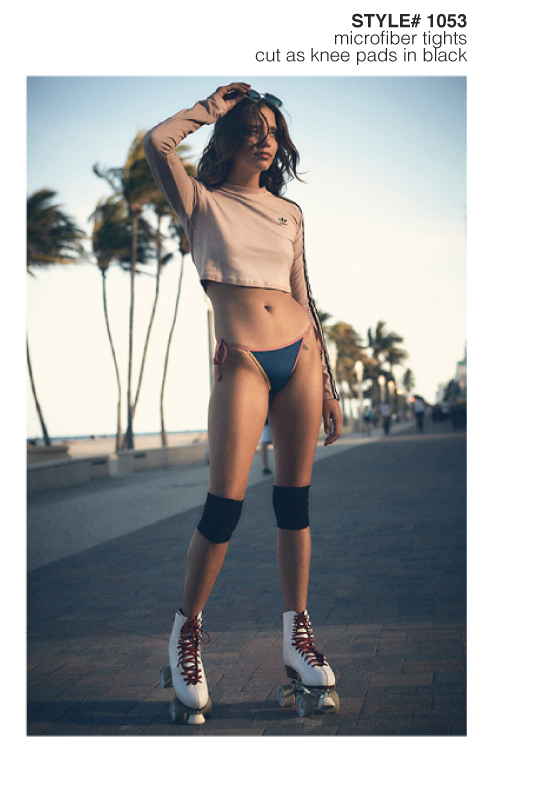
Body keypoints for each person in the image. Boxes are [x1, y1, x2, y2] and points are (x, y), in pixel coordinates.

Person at [143, 84, 343, 723]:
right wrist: (210, 106)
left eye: (274, 130)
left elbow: (304, 295)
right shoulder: (201, 202)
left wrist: (331, 384)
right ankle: (186, 632)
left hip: (301, 357)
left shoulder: (291, 215)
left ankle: (297, 633)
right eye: (253, 127)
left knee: (294, 504)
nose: (266, 138)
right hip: (245, 361)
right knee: (224, 505)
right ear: (229, 138)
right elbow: (156, 143)